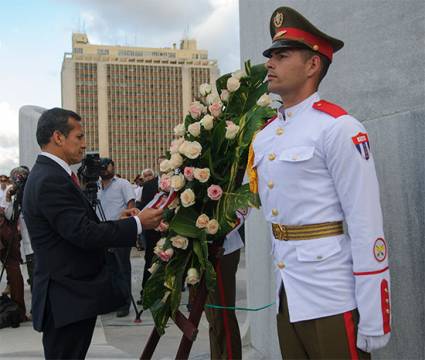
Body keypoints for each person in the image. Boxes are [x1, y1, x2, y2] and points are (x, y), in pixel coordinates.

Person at [247, 7, 391, 359]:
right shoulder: (264, 138)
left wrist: (375, 316)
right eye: (271, 56)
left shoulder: (339, 128)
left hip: (332, 293)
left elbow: (365, 221)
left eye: (282, 56)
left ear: (312, 65)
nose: (270, 63)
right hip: (288, 294)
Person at [22, 107, 163, 359]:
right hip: (66, 296)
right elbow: (83, 234)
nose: (84, 144)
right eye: (79, 136)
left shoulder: (50, 174)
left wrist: (117, 221)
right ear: (58, 137)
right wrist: (138, 224)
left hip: (70, 296)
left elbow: (75, 227)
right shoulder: (50, 179)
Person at [205, 209, 248, 360]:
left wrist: (215, 229)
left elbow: (243, 205)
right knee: (214, 316)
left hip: (223, 247)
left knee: (222, 316)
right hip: (200, 245)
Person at [97, 158, 136, 318]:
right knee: (108, 269)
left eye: (108, 166)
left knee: (122, 268)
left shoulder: (122, 183)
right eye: (102, 167)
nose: (105, 169)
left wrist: (127, 224)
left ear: (113, 167)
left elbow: (131, 204)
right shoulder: (96, 187)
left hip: (119, 231)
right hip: (101, 232)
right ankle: (113, 301)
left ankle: (125, 303)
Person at [136, 168, 159, 304]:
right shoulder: (148, 187)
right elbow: (144, 207)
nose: (149, 177)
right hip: (152, 231)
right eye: (146, 175)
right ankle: (146, 292)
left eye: (151, 174)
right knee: (150, 260)